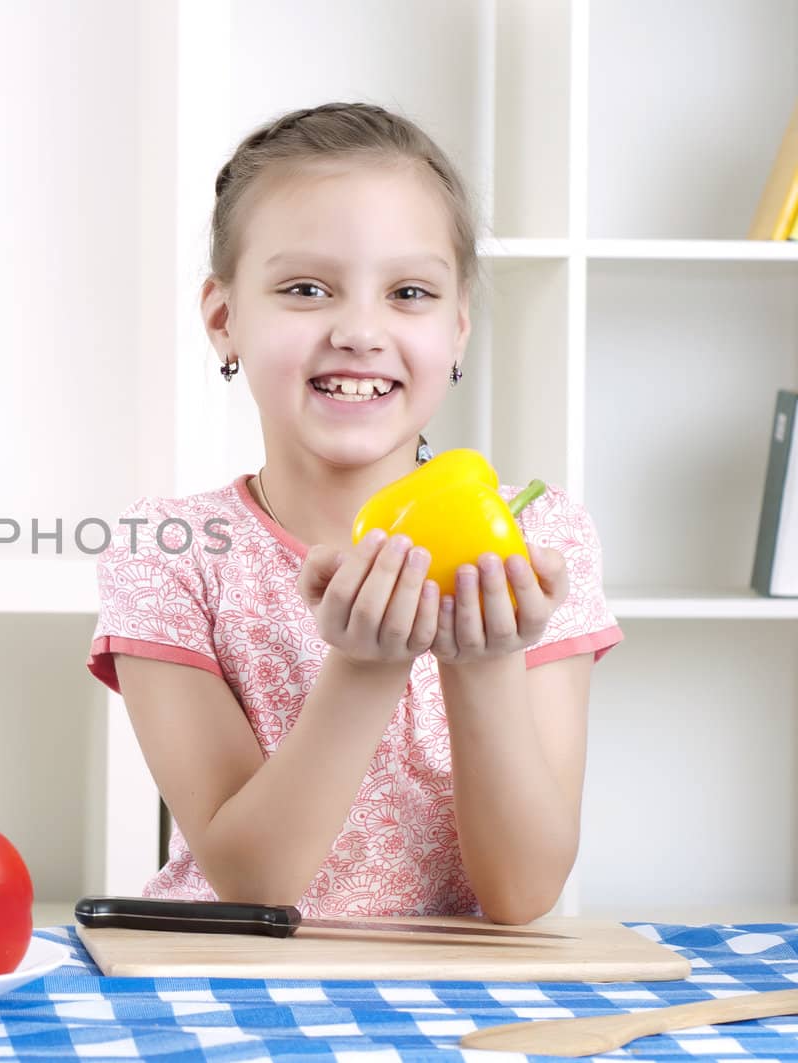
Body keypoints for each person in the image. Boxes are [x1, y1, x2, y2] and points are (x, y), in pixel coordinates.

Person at [86, 102, 622, 924]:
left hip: (454, 993)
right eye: (306, 288)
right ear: (225, 319)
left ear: (458, 327)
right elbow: (253, 884)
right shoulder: (173, 551)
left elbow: (523, 893)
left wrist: (480, 661)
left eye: (410, 292)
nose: (362, 330)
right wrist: (365, 666)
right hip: (232, 983)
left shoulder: (539, 537)